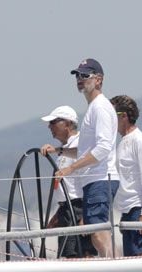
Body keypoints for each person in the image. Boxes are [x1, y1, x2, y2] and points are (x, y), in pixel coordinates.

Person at [42, 58, 119, 257]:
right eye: (77, 75)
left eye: (85, 75)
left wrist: (71, 168)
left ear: (99, 80)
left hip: (101, 178)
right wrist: (58, 151)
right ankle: (110, 264)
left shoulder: (100, 107)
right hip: (93, 180)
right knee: (94, 231)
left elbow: (103, 148)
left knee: (97, 231)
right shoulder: (93, 108)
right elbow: (85, 150)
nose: (80, 79)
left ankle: (111, 267)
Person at [40, 105, 96, 258]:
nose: (49, 126)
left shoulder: (81, 144)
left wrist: (86, 216)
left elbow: (89, 179)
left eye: (53, 122)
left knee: (81, 254)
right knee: (68, 254)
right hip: (66, 210)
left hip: (79, 208)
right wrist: (58, 215)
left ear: (68, 124)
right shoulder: (64, 149)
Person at [110, 95, 142, 256]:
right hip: (127, 210)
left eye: (112, 115)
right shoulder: (122, 141)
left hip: (139, 209)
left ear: (123, 116)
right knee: (131, 262)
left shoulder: (139, 140)